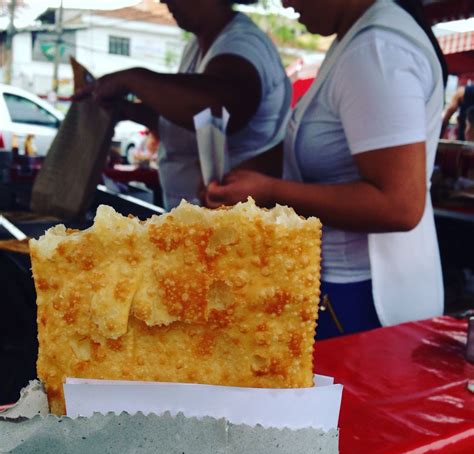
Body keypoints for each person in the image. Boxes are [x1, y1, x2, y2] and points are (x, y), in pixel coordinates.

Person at [202, 0, 448, 339]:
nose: (285, 2)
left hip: (362, 297)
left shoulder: (376, 50)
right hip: (346, 286)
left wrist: (270, 190)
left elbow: (399, 205)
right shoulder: (358, 39)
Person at [73, 0, 291, 210]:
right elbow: (184, 121)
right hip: (199, 222)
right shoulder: (198, 45)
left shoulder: (243, 44)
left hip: (235, 227)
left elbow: (218, 108)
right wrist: (128, 110)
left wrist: (134, 79)